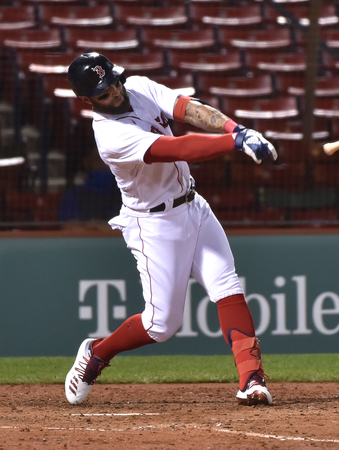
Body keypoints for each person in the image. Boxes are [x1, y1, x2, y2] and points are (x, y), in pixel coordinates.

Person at [63, 52, 277, 406]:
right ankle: (96, 353)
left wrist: (236, 129)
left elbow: (188, 109)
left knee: (227, 286)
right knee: (161, 326)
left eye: (114, 82)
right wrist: (234, 143)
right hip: (154, 224)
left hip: (192, 204)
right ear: (86, 101)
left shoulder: (139, 87)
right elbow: (177, 148)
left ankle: (251, 379)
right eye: (103, 93)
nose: (114, 92)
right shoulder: (110, 135)